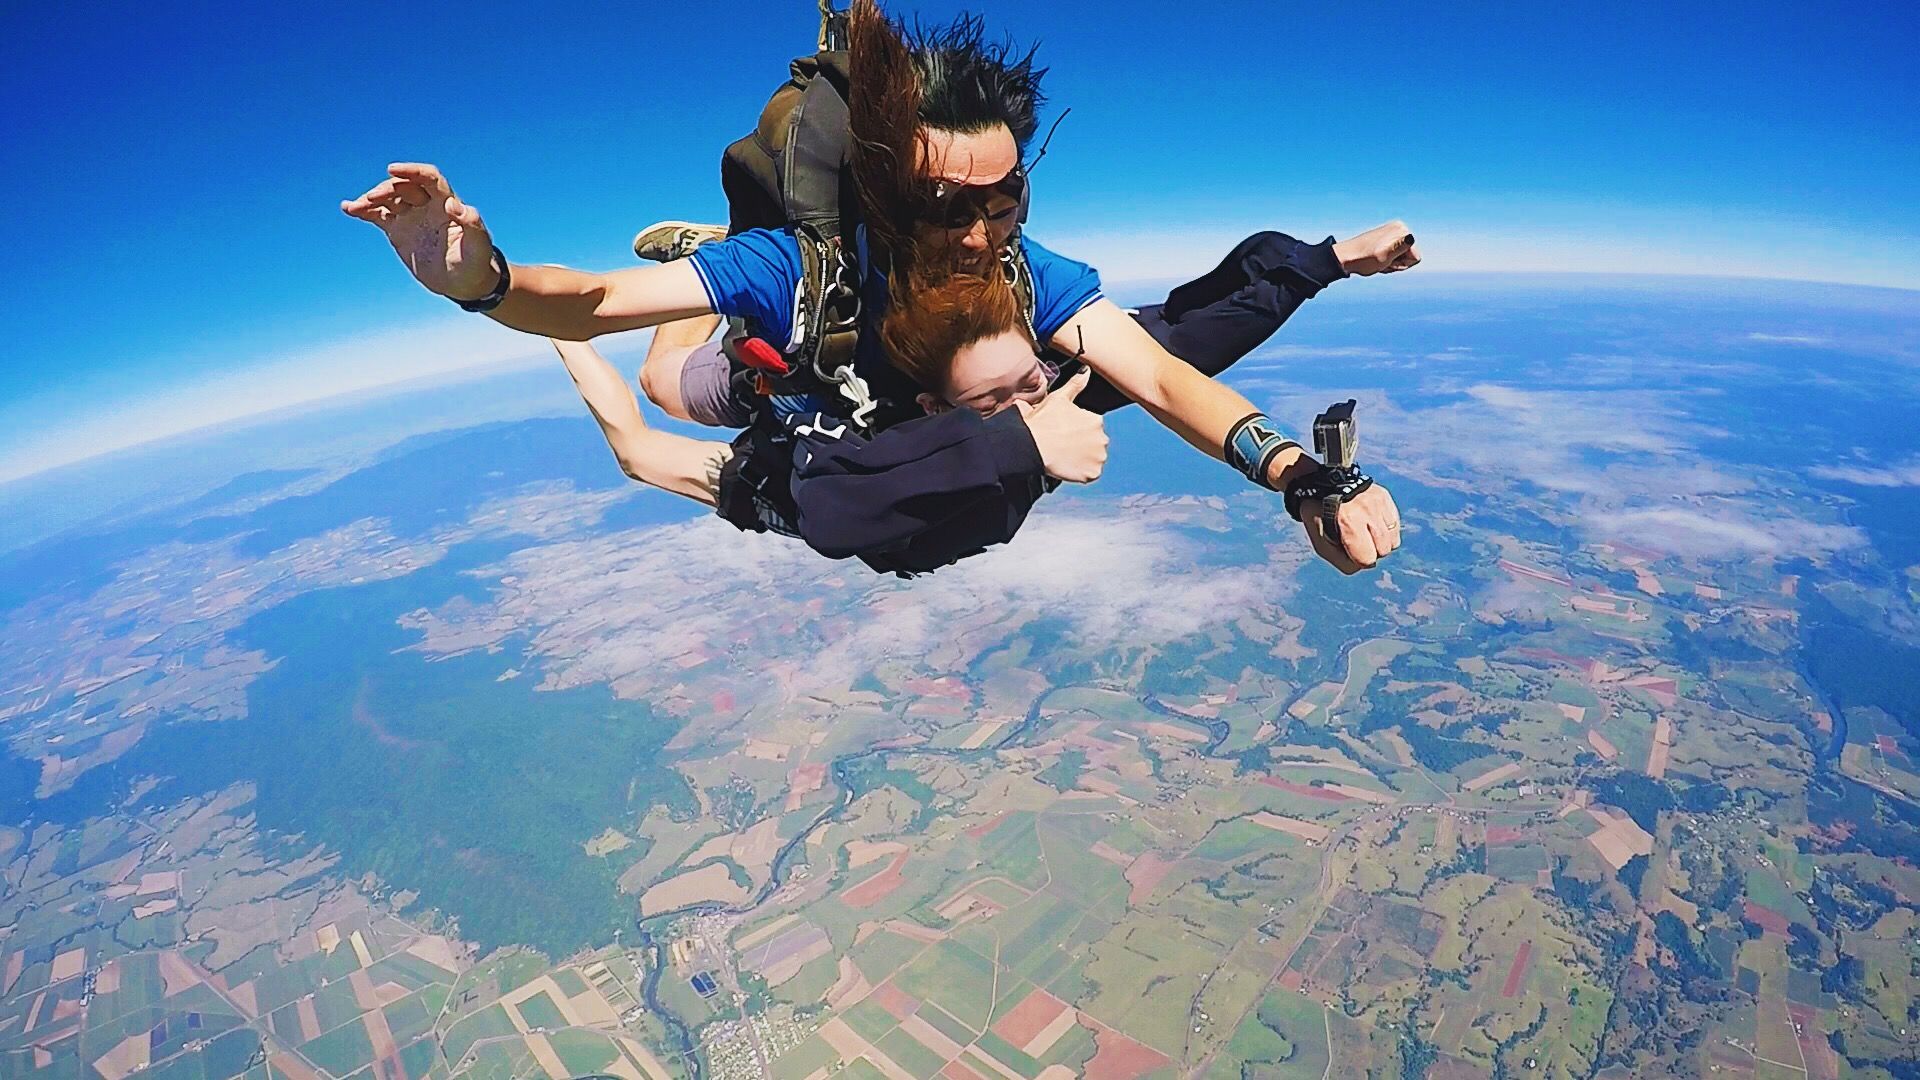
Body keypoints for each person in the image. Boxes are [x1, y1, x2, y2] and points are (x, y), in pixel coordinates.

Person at [339, 1, 1411, 577]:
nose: (986, 229)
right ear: (894, 197)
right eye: (956, 207)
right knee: (664, 404)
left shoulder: (1022, 276)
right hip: (802, 393)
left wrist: (1299, 476)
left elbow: (1170, 374)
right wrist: (479, 280)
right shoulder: (803, 270)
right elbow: (587, 304)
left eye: (1010, 198)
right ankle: (701, 271)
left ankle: (730, 296)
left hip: (940, 407)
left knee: (1118, 363)